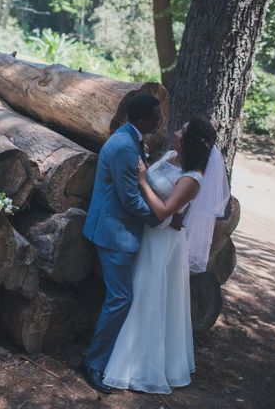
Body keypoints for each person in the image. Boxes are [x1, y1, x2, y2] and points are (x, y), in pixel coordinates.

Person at [101, 117, 225, 394]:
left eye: (182, 132)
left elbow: (163, 211)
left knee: (147, 295)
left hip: (162, 241)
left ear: (189, 142)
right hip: (146, 234)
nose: (176, 133)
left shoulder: (193, 179)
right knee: (133, 291)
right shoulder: (170, 155)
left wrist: (143, 181)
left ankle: (139, 365)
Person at [79, 94, 166, 394]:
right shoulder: (124, 147)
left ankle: (103, 354)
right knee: (121, 299)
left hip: (114, 228)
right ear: (142, 120)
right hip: (114, 233)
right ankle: (93, 363)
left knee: (117, 297)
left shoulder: (132, 138)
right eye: (157, 115)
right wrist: (160, 219)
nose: (161, 120)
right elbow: (129, 199)